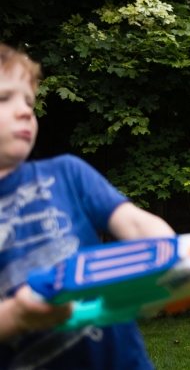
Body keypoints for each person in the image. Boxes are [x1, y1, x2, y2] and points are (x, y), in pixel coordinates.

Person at [0, 44, 177, 369]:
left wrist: (178, 261)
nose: (25, 110)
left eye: (29, 101)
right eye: (4, 98)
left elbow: (138, 225)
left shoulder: (67, 173)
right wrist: (16, 315)